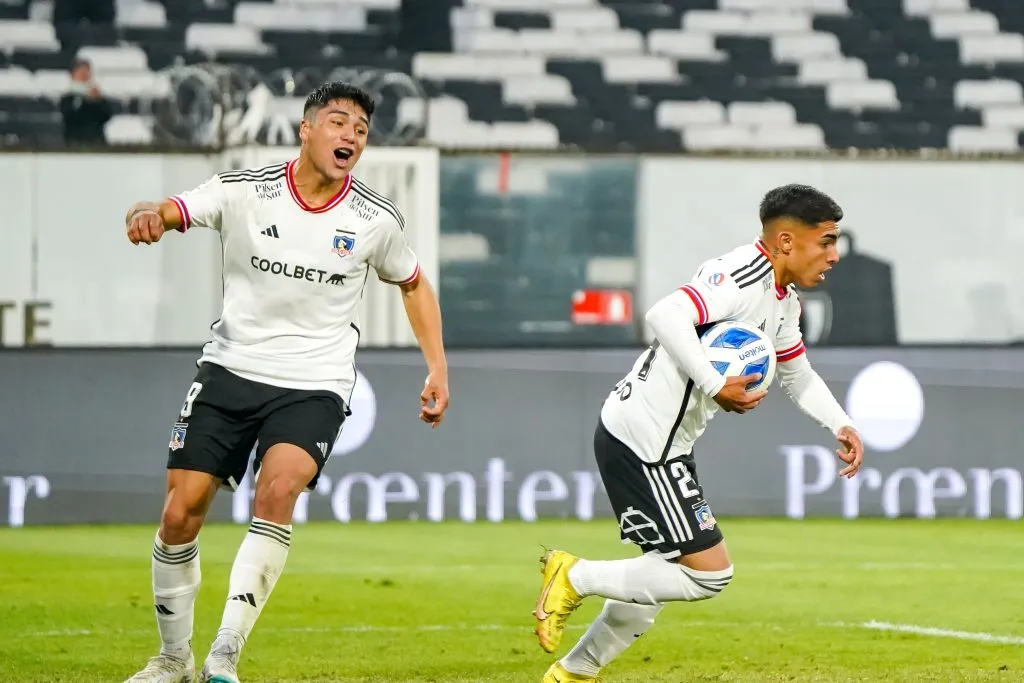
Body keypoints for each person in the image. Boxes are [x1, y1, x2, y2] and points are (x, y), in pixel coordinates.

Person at [122, 81, 450, 683]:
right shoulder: (246, 191)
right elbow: (174, 209)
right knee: (178, 515)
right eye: (339, 122)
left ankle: (225, 652)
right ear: (306, 129)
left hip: (314, 381)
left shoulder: (375, 219)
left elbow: (412, 284)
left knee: (277, 492)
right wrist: (149, 215)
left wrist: (438, 367)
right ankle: (172, 659)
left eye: (361, 129)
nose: (351, 136)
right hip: (230, 368)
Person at [533, 184, 865, 682]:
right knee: (710, 574)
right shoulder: (739, 273)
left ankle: (572, 673)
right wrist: (714, 385)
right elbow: (664, 315)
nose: (834, 255)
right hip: (646, 442)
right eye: (826, 241)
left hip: (657, 439)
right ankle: (574, 575)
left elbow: (797, 375)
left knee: (659, 572)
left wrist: (841, 422)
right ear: (786, 241)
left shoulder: (784, 303)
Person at [59, 57, 112, 145]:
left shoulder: (98, 97)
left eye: (87, 72)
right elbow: (70, 117)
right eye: (81, 72)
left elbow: (106, 116)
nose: (84, 76)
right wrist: (86, 102)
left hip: (96, 142)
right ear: (72, 74)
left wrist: (98, 101)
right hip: (75, 143)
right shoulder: (67, 98)